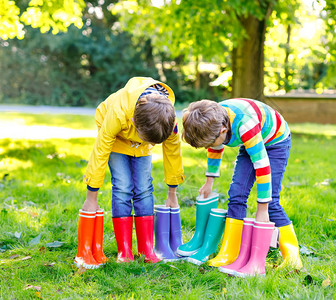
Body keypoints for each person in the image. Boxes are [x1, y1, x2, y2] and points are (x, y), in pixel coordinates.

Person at [181, 98, 302, 276]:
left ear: (223, 131)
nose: (209, 147)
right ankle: (230, 251)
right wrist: (209, 181)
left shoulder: (244, 124)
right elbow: (215, 148)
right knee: (236, 195)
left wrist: (262, 209)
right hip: (250, 142)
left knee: (272, 203)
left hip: (276, 142)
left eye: (209, 144)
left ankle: (292, 257)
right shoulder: (214, 120)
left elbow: (262, 166)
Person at [74, 77, 185, 269]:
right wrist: (91, 196)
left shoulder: (167, 119)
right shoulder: (118, 112)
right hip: (117, 135)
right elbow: (100, 151)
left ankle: (146, 249)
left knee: (143, 188)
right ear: (134, 121)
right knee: (123, 186)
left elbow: (173, 153)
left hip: (142, 138)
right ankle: (124, 250)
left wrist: (172, 193)